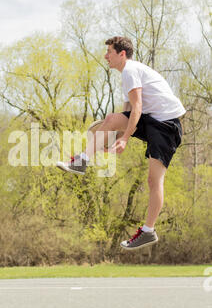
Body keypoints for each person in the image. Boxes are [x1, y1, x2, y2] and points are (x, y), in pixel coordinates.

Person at [57, 36, 186, 251]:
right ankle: (82, 160)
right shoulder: (128, 73)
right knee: (110, 119)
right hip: (152, 119)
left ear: (121, 54)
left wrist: (125, 138)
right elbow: (127, 110)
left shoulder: (130, 70)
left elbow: (137, 109)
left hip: (166, 126)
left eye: (109, 51)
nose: (105, 56)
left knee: (154, 181)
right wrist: (114, 137)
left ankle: (148, 231)